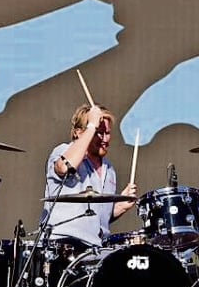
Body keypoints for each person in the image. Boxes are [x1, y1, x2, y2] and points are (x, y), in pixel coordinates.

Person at [41, 104, 137, 248]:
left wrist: (119, 207)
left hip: (96, 247)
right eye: (99, 132)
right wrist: (92, 125)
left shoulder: (109, 169)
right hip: (62, 245)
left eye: (108, 133)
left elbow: (95, 216)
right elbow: (65, 166)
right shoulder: (63, 151)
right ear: (79, 133)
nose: (105, 139)